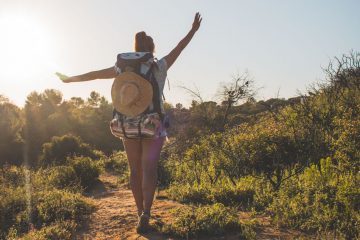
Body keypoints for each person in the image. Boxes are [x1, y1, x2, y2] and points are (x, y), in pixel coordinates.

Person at [61, 12, 202, 233]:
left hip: (127, 124)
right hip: (152, 125)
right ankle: (147, 211)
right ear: (151, 49)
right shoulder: (158, 66)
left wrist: (71, 79)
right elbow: (179, 48)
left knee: (134, 170)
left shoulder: (120, 69)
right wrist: (193, 30)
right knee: (149, 169)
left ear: (134, 48)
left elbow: (96, 74)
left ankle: (138, 213)